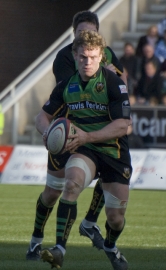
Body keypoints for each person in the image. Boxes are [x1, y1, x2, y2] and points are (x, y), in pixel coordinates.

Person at [26, 10, 128, 261]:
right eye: (82, 54)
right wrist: (50, 131)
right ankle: (49, 245)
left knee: (116, 219)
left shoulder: (111, 76)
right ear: (74, 47)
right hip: (71, 136)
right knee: (59, 189)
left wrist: (120, 90)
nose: (87, 60)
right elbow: (49, 112)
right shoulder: (65, 65)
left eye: (92, 54)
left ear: (100, 49)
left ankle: (104, 239)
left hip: (107, 146)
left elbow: (121, 98)